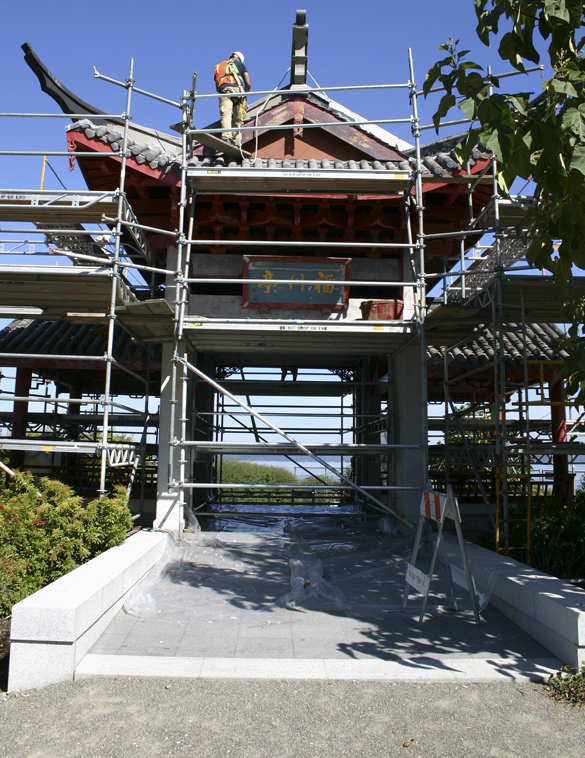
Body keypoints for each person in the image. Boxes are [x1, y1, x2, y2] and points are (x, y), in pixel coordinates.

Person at [214, 51, 251, 147]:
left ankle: (226, 137)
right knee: (238, 119)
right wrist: (245, 95)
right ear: (239, 59)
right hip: (238, 91)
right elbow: (248, 83)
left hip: (224, 91)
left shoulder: (219, 66)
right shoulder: (240, 65)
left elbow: (217, 85)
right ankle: (237, 142)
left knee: (226, 114)